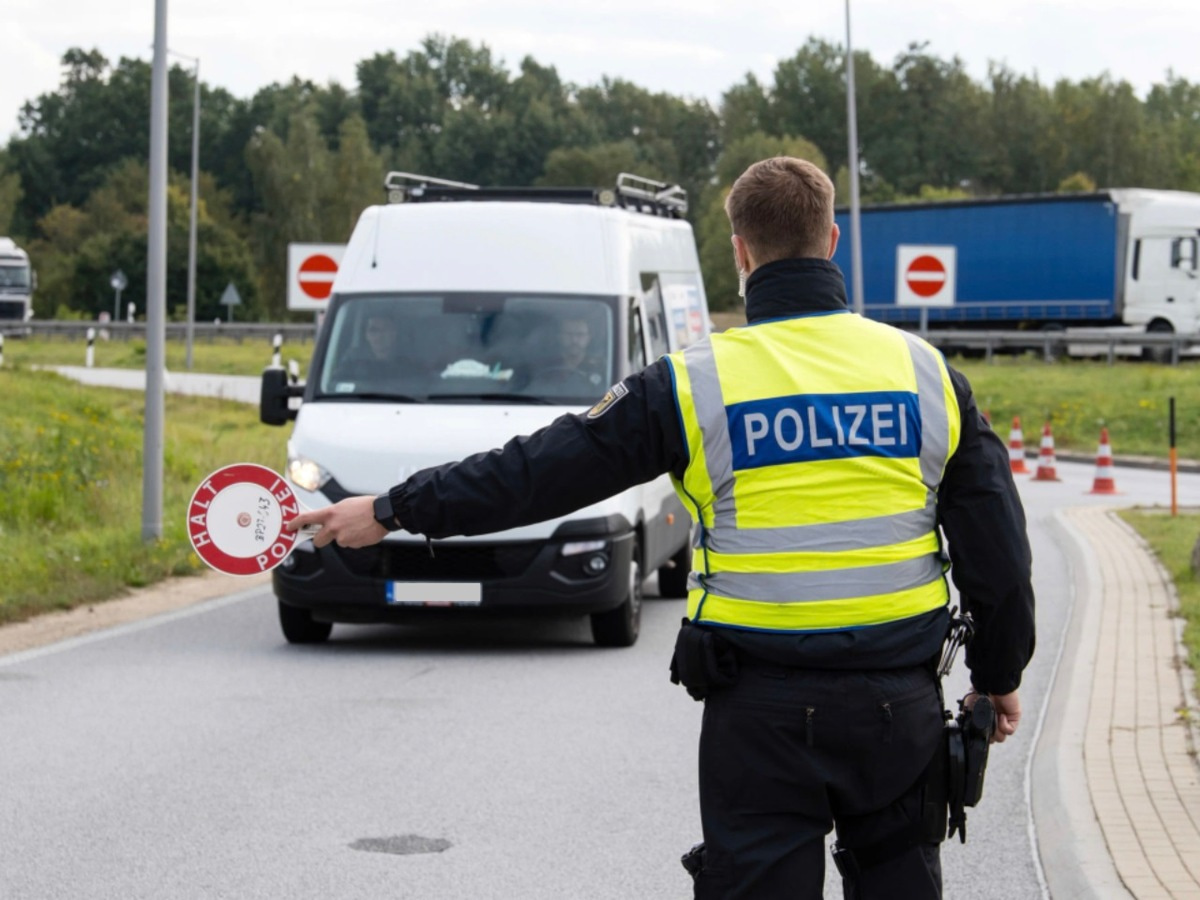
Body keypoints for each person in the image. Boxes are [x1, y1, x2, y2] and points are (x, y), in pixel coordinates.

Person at [289, 157, 1035, 900]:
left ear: (740, 251)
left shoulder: (690, 382)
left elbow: (534, 473)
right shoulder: (927, 374)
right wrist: (997, 678)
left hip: (759, 715)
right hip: (894, 710)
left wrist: (391, 509)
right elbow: (998, 555)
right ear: (832, 241)